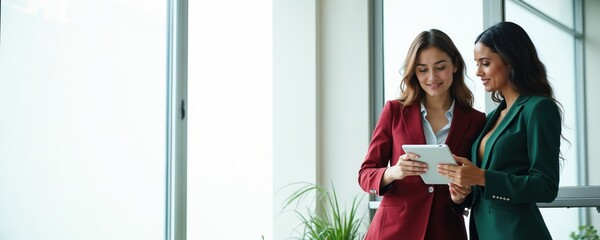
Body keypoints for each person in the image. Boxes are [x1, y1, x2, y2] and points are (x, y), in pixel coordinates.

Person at [438, 21, 563, 240]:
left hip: (518, 233)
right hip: (484, 232)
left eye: (485, 63)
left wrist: (481, 176)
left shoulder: (539, 108)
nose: (477, 72)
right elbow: (486, 184)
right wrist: (463, 192)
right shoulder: (492, 117)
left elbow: (545, 186)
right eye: (477, 63)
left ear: (510, 60)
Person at [358, 29, 486, 240]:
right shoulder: (394, 111)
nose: (432, 77)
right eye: (423, 70)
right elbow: (365, 175)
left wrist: (460, 196)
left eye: (440, 67)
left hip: (446, 231)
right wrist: (395, 172)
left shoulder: (475, 120)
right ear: (414, 73)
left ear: (454, 65)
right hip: (393, 231)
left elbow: (475, 187)